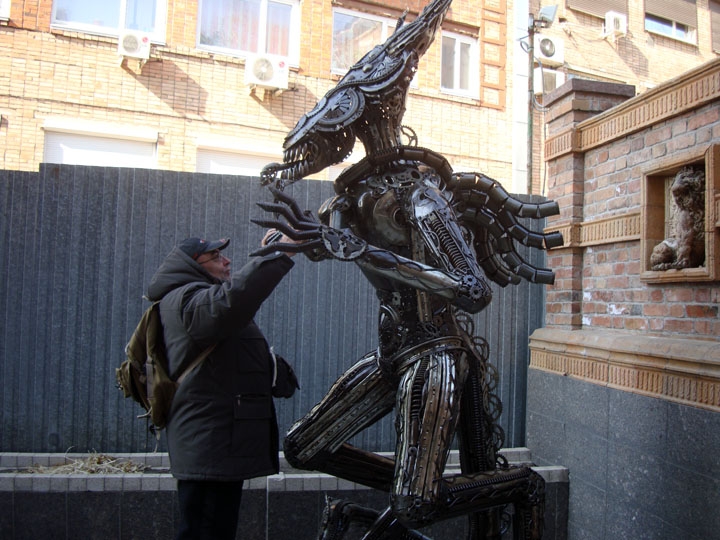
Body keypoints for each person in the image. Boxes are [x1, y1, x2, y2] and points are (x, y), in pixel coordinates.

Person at [145, 231, 298, 540]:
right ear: (192, 265)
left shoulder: (198, 299)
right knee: (205, 531)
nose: (226, 261)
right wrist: (277, 255)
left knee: (213, 529)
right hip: (208, 443)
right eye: (215, 257)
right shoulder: (187, 300)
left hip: (215, 442)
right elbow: (233, 301)